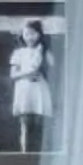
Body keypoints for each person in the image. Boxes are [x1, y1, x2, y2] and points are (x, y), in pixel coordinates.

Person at [8, 19, 53, 154]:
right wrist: (28, 73)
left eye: (33, 33)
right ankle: (25, 154)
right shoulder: (19, 53)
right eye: (27, 34)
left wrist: (42, 54)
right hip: (24, 91)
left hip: (39, 90)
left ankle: (39, 154)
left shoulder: (44, 52)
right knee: (25, 125)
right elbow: (13, 75)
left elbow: (51, 70)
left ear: (39, 34)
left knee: (39, 125)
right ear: (22, 35)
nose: (30, 37)